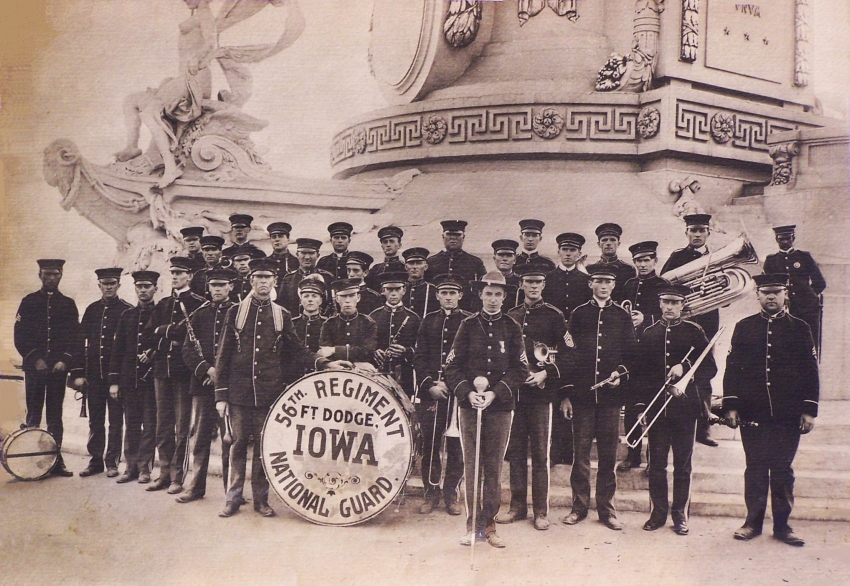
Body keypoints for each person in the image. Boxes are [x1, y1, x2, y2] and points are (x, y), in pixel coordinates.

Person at [215, 258, 351, 518]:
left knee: (264, 449)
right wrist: (221, 396)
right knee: (238, 446)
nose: (263, 282)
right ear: (251, 281)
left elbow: (298, 351)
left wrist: (325, 363)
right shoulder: (236, 313)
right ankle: (232, 498)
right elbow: (223, 355)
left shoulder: (282, 315)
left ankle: (261, 501)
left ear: (274, 281)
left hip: (268, 394)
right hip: (239, 393)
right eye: (259, 278)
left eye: (268, 278)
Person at [723, 274, 819, 547]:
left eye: (776, 292)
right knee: (754, 468)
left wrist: (809, 410)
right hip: (753, 414)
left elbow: (810, 372)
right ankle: (752, 522)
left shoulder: (800, 328)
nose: (771, 297)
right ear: (757, 295)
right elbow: (732, 369)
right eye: (765, 292)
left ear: (785, 294)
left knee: (782, 470)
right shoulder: (744, 327)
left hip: (788, 415)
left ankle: (782, 526)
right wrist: (731, 405)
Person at [445, 271, 527, 548]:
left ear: (505, 297)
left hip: (500, 407)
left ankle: (489, 526)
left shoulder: (512, 326)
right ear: (480, 295)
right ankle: (471, 526)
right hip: (470, 407)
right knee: (472, 466)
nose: (493, 299)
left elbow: (520, 368)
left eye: (498, 294)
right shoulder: (467, 325)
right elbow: (452, 366)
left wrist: (495, 392)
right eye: (488, 294)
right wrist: (468, 392)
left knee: (492, 468)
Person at [634, 284, 716, 535]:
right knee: (656, 465)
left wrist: (686, 367)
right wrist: (641, 408)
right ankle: (658, 512)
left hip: (685, 408)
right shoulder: (648, 333)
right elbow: (640, 374)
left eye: (675, 303)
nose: (669, 307)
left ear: (682, 305)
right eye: (665, 302)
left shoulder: (694, 332)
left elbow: (709, 368)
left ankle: (680, 514)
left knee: (683, 464)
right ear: (660, 304)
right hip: (658, 408)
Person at [560, 264, 636, 531]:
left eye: (608, 282)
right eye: (598, 281)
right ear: (590, 283)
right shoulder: (579, 314)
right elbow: (568, 356)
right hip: (581, 396)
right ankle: (579, 507)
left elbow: (631, 355)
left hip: (611, 399)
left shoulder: (622, 316)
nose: (603, 286)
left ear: (613, 286)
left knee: (607, 455)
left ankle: (607, 509)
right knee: (579, 454)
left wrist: (620, 373)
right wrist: (567, 394)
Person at [499, 267, 567, 531]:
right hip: (515, 397)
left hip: (541, 395)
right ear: (522, 284)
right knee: (515, 453)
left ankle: (540, 511)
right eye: (529, 281)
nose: (533, 286)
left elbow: (568, 353)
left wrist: (545, 374)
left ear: (544, 284)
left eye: (538, 281)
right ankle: (517, 507)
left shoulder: (555, 316)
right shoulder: (512, 316)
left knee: (540, 454)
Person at [141, 256, 207, 493]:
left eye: (180, 273)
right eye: (173, 273)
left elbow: (192, 337)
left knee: (182, 427)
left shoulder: (198, 303)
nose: (176, 277)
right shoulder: (163, 304)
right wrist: (169, 335)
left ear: (189, 276)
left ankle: (178, 476)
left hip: (182, 371)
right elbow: (148, 336)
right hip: (161, 370)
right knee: (163, 425)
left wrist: (164, 332)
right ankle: (164, 473)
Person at [14, 259, 79, 477]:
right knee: (33, 415)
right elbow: (20, 336)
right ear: (39, 275)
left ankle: (55, 460)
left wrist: (65, 360)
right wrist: (34, 359)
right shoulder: (29, 301)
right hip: (35, 370)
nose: (51, 278)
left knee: (55, 416)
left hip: (57, 371)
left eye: (56, 274)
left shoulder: (68, 304)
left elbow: (74, 337)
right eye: (47, 274)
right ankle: (31, 460)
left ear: (61, 275)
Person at [413, 274, 472, 516]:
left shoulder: (470, 321)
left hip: (459, 393)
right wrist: (430, 385)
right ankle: (431, 492)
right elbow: (419, 357)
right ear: (437, 296)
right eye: (444, 293)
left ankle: (451, 494)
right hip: (432, 393)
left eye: (453, 293)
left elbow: (472, 358)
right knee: (430, 445)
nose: (448, 297)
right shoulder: (428, 321)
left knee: (457, 447)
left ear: (460, 295)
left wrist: (455, 384)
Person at [176, 267, 236, 504]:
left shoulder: (238, 312)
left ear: (230, 286)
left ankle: (230, 491)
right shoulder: (200, 313)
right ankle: (195, 487)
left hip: (229, 387)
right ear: (208, 287)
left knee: (229, 439)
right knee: (199, 438)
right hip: (202, 385)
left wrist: (220, 374)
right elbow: (187, 349)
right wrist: (207, 369)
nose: (218, 289)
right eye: (214, 285)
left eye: (222, 285)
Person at [661, 213, 719, 447]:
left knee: (703, 371)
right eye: (693, 231)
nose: (697, 235)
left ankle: (703, 428)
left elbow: (727, 290)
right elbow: (664, 285)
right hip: (681, 322)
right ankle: (670, 422)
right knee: (676, 369)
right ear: (686, 233)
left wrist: (711, 289)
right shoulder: (677, 257)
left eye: (701, 231)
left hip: (707, 320)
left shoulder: (717, 257)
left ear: (708, 233)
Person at [71, 268, 133, 478]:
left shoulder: (127, 311)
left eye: (112, 283)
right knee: (95, 421)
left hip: (116, 379)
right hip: (94, 378)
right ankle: (95, 461)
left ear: (118, 285)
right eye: (105, 283)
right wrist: (79, 373)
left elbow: (129, 350)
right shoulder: (91, 310)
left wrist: (118, 380)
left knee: (115, 422)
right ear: (99, 285)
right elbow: (79, 343)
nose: (109, 287)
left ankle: (112, 462)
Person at [618, 240, 669, 472]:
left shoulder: (663, 285)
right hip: (632, 353)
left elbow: (669, 315)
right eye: (638, 260)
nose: (642, 264)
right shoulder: (628, 284)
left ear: (655, 261)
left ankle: (655, 459)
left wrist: (646, 319)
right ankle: (633, 455)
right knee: (631, 408)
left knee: (655, 408)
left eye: (646, 260)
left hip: (654, 354)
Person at [541, 232, 590, 465]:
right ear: (558, 252)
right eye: (564, 250)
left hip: (577, 343)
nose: (568, 254)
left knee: (573, 394)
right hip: (552, 342)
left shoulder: (585, 281)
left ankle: (569, 450)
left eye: (573, 250)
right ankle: (550, 451)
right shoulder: (549, 278)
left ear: (579, 254)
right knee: (553, 392)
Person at [108, 270, 160, 484]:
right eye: (139, 286)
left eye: (147, 286)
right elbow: (117, 349)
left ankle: (145, 468)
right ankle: (130, 468)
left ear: (155, 288)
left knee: (149, 426)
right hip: (129, 380)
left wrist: (153, 354)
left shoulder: (161, 313)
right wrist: (114, 381)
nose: (143, 290)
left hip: (151, 381)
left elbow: (164, 344)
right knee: (131, 424)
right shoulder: (127, 315)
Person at [763, 225, 826, 355]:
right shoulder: (771, 261)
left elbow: (820, 282)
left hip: (807, 309)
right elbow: (766, 286)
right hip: (782, 308)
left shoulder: (804, 257)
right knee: (784, 343)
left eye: (788, 238)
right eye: (781, 239)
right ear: (776, 240)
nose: (785, 242)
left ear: (793, 238)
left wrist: (808, 297)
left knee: (809, 342)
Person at [370, 272, 421, 398]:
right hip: (378, 374)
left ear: (404, 290)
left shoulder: (414, 318)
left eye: (397, 289)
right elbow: (366, 345)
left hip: (404, 375)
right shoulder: (373, 317)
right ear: (383, 291)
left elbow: (421, 349)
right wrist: (374, 352)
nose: (393, 293)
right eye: (389, 289)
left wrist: (406, 351)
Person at [425, 220, 486, 313]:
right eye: (449, 234)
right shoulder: (431, 261)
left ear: (463, 237)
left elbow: (482, 289)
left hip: (466, 312)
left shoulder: (475, 262)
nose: (453, 238)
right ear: (443, 236)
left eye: (457, 235)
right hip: (437, 312)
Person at [318, 279, 378, 363]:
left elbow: (368, 351)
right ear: (337, 298)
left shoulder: (368, 323)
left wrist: (335, 350)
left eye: (351, 295)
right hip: (336, 369)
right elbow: (325, 352)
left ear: (358, 298)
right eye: (343, 296)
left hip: (363, 370)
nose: (347, 300)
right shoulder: (328, 324)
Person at [277, 237, 333, 315]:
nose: (307, 257)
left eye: (311, 253)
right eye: (303, 253)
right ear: (297, 255)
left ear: (318, 255)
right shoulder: (289, 279)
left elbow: (331, 305)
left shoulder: (327, 278)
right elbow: (282, 306)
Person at [594, 223, 637, 302]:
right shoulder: (590, 269)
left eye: (613, 240)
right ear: (598, 244)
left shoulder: (628, 269)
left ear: (618, 243)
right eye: (604, 240)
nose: (608, 243)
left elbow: (630, 297)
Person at [292, 276, 328, 355]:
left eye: (314, 296)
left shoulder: (328, 324)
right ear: (301, 300)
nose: (310, 299)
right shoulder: (292, 324)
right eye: (306, 296)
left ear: (321, 300)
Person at [365, 226, 405, 292]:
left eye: (391, 241)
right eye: (385, 242)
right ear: (382, 246)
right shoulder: (375, 270)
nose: (388, 245)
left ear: (399, 245)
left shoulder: (404, 268)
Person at [401, 247, 435, 318]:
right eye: (411, 263)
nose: (414, 267)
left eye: (419, 263)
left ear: (426, 267)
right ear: (406, 267)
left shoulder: (433, 290)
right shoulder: (400, 289)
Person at [492, 239, 523, 307]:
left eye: (509, 255)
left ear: (514, 260)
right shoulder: (486, 280)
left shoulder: (521, 282)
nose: (505, 259)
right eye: (501, 255)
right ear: (494, 258)